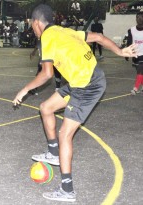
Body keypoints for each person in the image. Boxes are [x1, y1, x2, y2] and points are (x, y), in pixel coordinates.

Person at [12, 4, 137, 202]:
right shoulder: (64, 30)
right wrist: (120, 51)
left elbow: (46, 74)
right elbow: (97, 37)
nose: (32, 29)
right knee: (46, 108)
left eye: (31, 25)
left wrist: (24, 89)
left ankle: (67, 190)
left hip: (86, 86)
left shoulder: (47, 37)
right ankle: (53, 154)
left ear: (36, 23)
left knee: (65, 135)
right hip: (83, 80)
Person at [126, 11, 143, 95]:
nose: (139, 19)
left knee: (140, 70)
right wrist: (127, 54)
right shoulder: (131, 30)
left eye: (141, 17)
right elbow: (129, 42)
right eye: (137, 17)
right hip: (135, 55)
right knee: (139, 72)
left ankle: (135, 89)